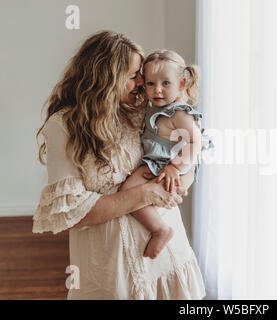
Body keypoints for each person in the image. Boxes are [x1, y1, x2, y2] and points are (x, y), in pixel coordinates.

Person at [32, 31, 206, 300]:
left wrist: (178, 183)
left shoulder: (142, 111)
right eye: (134, 75)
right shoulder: (63, 126)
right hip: (110, 270)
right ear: (106, 78)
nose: (141, 83)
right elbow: (74, 213)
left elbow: (189, 149)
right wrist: (144, 194)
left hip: (165, 261)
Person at [120, 49, 212, 260]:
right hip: (158, 162)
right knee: (134, 192)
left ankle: (160, 229)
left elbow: (195, 141)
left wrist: (175, 167)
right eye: (151, 83)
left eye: (165, 83)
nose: (157, 90)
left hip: (165, 163)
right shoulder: (154, 107)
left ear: (181, 84)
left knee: (128, 191)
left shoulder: (178, 112)